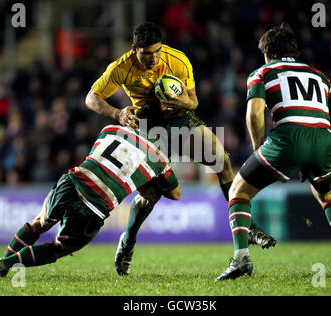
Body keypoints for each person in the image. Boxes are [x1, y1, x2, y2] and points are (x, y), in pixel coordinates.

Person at [85, 21, 276, 276]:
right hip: (147, 126)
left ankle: (247, 227)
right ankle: (128, 241)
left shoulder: (177, 60)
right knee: (150, 194)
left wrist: (179, 100)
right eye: (146, 54)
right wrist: (117, 113)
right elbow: (91, 98)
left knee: (222, 161)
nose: (153, 58)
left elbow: (194, 101)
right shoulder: (121, 68)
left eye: (157, 51)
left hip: (179, 119)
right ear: (134, 50)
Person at [215, 23, 331, 281]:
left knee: (238, 191)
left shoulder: (262, 72)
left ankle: (241, 259)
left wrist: (259, 146)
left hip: (287, 140)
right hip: (323, 140)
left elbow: (255, 112)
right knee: (327, 195)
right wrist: (326, 147)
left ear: (267, 53)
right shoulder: (319, 75)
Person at [0, 124, 181, 277]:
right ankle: (7, 265)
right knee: (58, 248)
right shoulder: (159, 159)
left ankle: (2, 261)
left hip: (72, 181)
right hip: (95, 205)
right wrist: (151, 178)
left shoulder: (111, 129)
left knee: (39, 223)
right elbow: (175, 194)